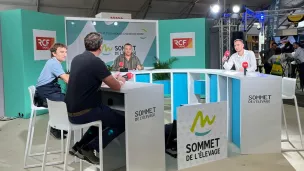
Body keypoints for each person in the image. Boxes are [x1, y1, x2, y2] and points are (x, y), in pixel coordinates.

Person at [65, 32, 126, 164]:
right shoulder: (96, 62)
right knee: (122, 121)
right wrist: (120, 80)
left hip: (71, 112)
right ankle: (90, 147)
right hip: (85, 112)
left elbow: (87, 79)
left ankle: (79, 146)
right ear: (101, 46)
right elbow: (115, 86)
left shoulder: (76, 59)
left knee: (103, 120)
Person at [34, 43, 69, 139]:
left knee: (66, 98)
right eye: (61, 52)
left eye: (66, 52)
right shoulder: (54, 63)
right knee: (69, 101)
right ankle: (55, 127)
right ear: (54, 53)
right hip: (44, 93)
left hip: (43, 91)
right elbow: (67, 79)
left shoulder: (53, 62)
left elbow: (63, 77)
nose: (65, 54)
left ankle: (58, 126)